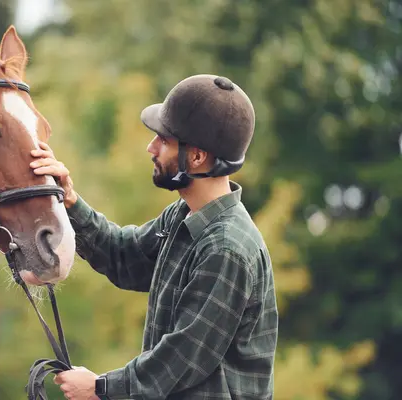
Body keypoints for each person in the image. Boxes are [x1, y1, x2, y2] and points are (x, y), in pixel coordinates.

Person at [29, 74, 278, 400]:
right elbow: (123, 256)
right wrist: (70, 201)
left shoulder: (225, 248)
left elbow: (182, 357)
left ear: (198, 157)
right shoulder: (183, 216)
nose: (151, 147)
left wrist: (100, 388)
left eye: (163, 139)